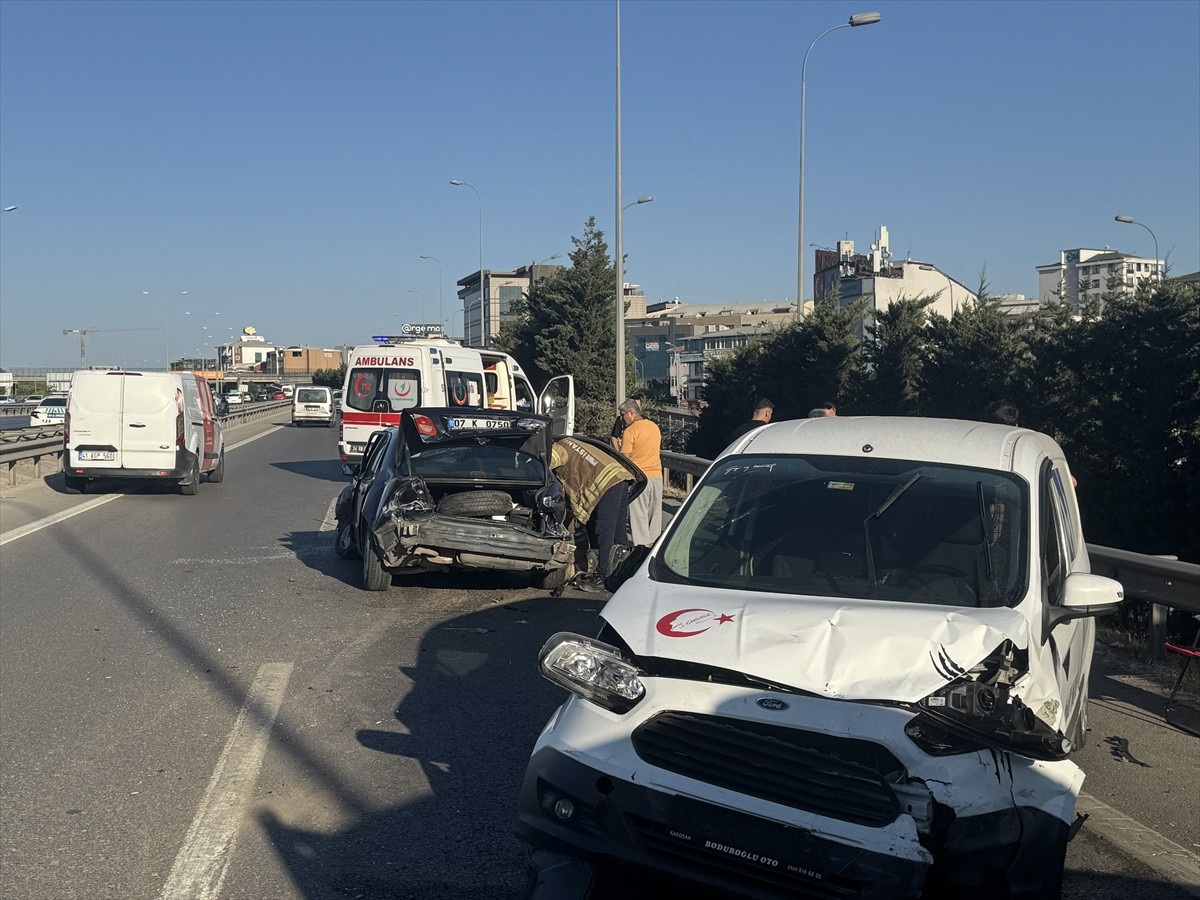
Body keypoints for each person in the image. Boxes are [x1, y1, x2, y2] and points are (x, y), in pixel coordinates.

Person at [550, 437, 635, 593]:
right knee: (618, 532)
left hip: (608, 484)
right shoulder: (571, 443)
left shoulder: (559, 448)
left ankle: (601, 577)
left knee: (604, 531)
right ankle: (623, 575)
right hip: (621, 477)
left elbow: (547, 463)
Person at [617, 398, 663, 547]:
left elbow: (625, 459)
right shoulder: (654, 427)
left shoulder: (630, 431)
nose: (622, 419)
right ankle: (655, 545)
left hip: (640, 478)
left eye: (623, 414)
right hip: (657, 476)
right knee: (655, 514)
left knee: (638, 515)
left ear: (631, 413)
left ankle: (642, 548)